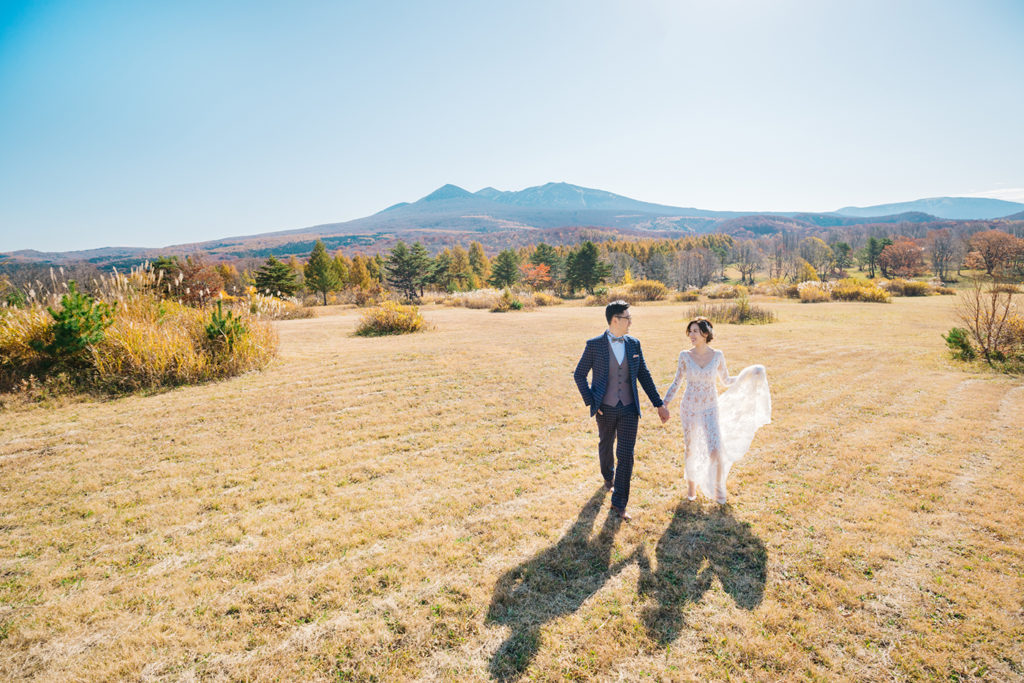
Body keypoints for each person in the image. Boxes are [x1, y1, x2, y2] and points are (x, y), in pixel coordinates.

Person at [574, 300, 670, 521]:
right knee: (606, 445)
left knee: (626, 455)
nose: (631, 322)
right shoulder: (594, 345)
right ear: (615, 320)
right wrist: (592, 401)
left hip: (629, 409)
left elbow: (643, 375)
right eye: (628, 318)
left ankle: (619, 502)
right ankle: (608, 476)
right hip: (604, 409)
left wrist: (658, 404)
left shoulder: (634, 344)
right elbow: (579, 374)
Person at [661, 317, 771, 504]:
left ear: (706, 334)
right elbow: (676, 382)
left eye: (695, 331)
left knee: (715, 450)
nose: (691, 335)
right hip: (689, 408)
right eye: (690, 331)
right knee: (691, 448)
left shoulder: (718, 355)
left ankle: (719, 489)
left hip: (710, 408)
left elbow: (726, 381)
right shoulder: (685, 356)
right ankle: (691, 487)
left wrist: (748, 374)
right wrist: (663, 404)